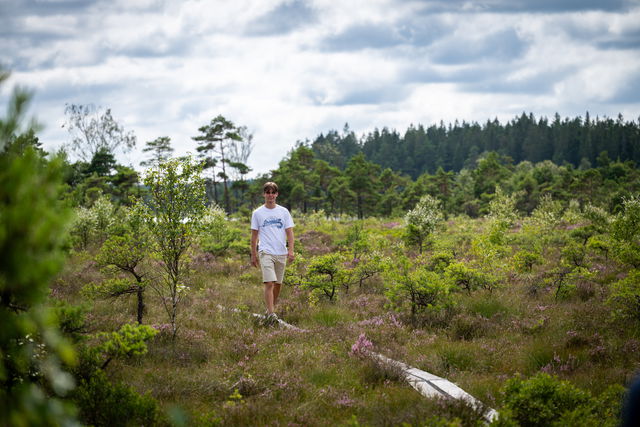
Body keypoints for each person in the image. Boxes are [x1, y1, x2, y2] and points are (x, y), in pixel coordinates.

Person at [250, 182, 295, 325]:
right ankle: (271, 314)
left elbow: (290, 232)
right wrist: (253, 254)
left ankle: (270, 309)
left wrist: (291, 250)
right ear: (264, 194)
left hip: (281, 252)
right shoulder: (257, 213)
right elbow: (254, 236)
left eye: (273, 192)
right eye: (267, 192)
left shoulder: (283, 212)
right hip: (265, 251)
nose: (270, 195)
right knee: (269, 282)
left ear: (277, 194)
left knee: (277, 285)